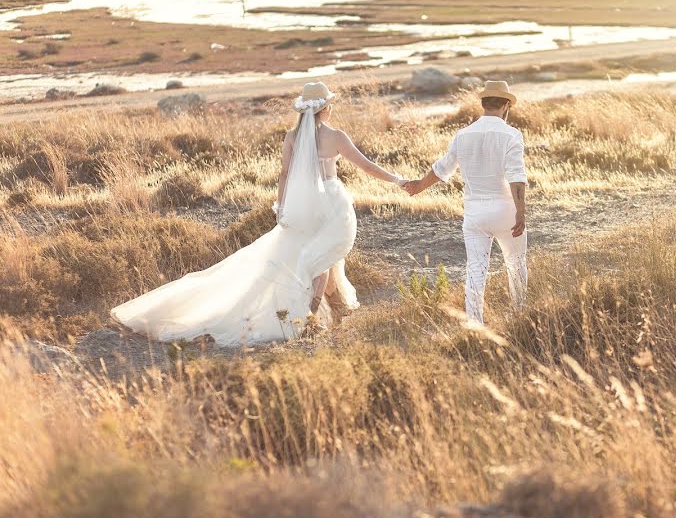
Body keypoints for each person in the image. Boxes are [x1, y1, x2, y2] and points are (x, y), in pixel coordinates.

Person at [111, 82, 406, 346]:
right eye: (330, 105)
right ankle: (311, 317)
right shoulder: (336, 136)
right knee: (322, 256)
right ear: (325, 109)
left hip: (301, 205)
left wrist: (282, 208)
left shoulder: (292, 136)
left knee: (317, 257)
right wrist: (398, 180)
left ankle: (324, 314)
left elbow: (284, 174)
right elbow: (366, 166)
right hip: (331, 204)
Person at [404, 81, 528, 325]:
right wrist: (520, 212)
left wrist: (418, 186)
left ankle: (475, 325)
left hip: (475, 215)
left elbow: (441, 169)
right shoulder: (511, 134)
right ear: (505, 106)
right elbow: (516, 177)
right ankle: (520, 316)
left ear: (483, 104)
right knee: (516, 263)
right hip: (505, 210)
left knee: (476, 270)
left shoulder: (463, 135)